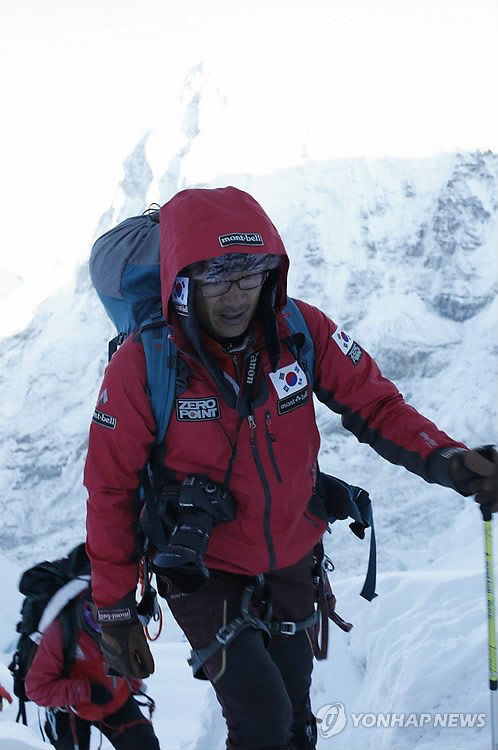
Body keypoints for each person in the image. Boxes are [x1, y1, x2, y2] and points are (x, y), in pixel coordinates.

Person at [84, 186, 498, 750]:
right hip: (201, 571)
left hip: (293, 558)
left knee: (297, 723)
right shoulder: (144, 365)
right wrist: (112, 612)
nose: (236, 295)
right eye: (215, 276)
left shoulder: (300, 331)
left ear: (272, 271)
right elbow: (111, 488)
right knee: (263, 723)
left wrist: (450, 459)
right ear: (181, 280)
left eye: (251, 273)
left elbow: (376, 405)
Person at [25, 591, 160, 750]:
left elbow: (122, 655)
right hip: (70, 710)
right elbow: (36, 689)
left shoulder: (119, 622)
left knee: (145, 745)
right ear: (87, 605)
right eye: (103, 606)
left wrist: (133, 682)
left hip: (116, 699)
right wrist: (86, 690)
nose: (110, 614)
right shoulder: (61, 631)